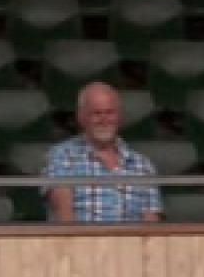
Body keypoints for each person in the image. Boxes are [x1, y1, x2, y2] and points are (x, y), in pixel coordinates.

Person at [44, 83, 162, 223]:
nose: (104, 120)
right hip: (81, 237)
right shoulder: (62, 156)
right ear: (81, 117)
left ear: (119, 116)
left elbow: (151, 224)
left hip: (131, 237)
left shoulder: (143, 165)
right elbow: (63, 216)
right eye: (96, 113)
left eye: (109, 112)